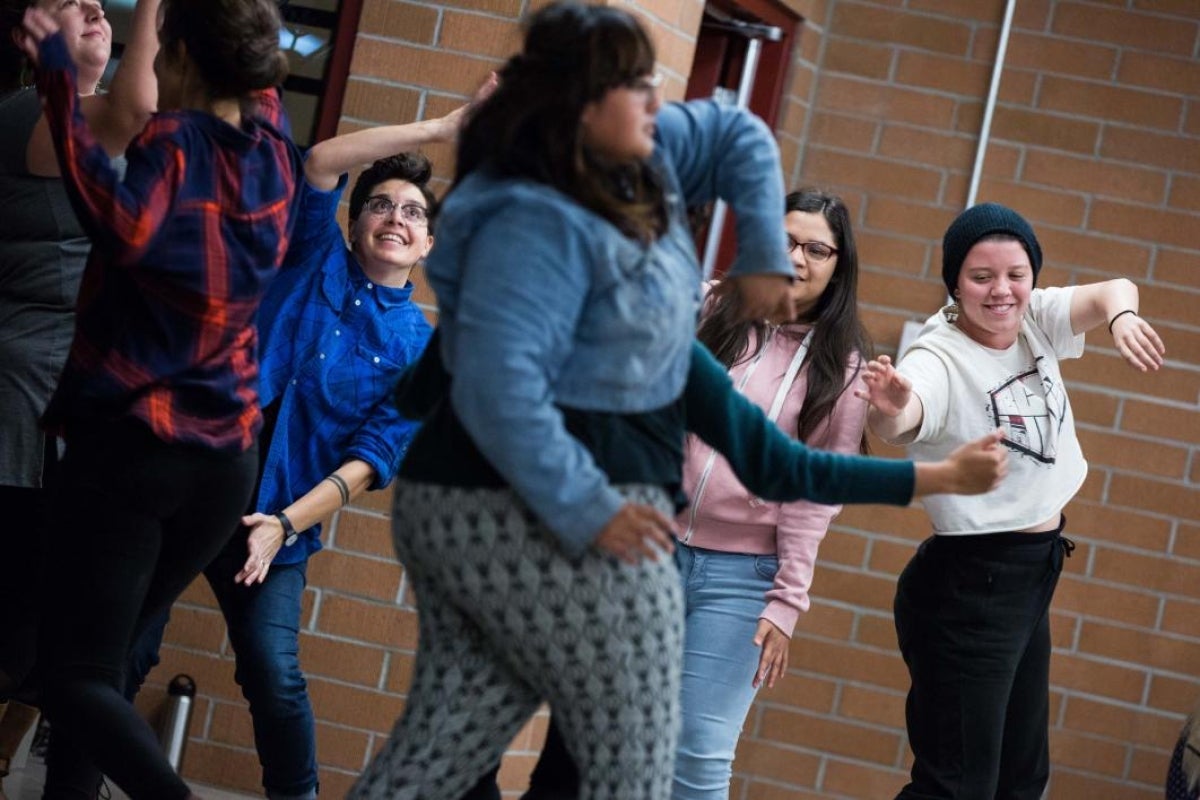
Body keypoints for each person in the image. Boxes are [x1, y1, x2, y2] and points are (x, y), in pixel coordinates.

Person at [347, 4, 1007, 799]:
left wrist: (929, 480)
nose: (655, 102)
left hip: (579, 529)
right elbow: (489, 391)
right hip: (503, 516)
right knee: (613, 763)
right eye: (630, 85)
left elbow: (780, 461)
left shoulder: (653, 214)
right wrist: (589, 505)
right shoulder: (538, 235)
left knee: (457, 757)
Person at [119, 84, 493, 799]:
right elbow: (321, 161)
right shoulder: (311, 253)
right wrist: (444, 126)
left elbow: (372, 458)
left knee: (273, 673)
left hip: (278, 523)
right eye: (381, 204)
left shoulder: (424, 349)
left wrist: (282, 527)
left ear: (430, 242)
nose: (395, 217)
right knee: (125, 649)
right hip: (186, 483)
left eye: (413, 212)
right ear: (354, 225)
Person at [14, 0, 301, 797]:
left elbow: (120, 226)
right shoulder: (275, 150)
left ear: (178, 59)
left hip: (136, 451)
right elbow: (243, 70)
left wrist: (60, 82)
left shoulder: (177, 143)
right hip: (224, 467)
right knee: (100, 673)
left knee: (71, 679)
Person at [855, 202, 1166, 800]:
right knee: (957, 787)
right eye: (981, 277)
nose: (1001, 291)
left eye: (1015, 274)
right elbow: (908, 415)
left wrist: (1121, 317)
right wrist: (892, 408)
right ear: (955, 283)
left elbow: (1113, 289)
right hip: (973, 587)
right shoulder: (938, 356)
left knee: (1021, 782)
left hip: (1029, 575)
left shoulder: (1034, 317)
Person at [0, 0, 158, 789]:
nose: (97, 7)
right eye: (73, 1)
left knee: (62, 643)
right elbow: (136, 104)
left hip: (78, 409)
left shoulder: (97, 124)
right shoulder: (29, 113)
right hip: (24, 401)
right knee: (23, 636)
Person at [672, 187, 871, 798]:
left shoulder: (844, 371)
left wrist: (786, 602)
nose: (797, 256)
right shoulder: (710, 309)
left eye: (817, 248)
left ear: (838, 266)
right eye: (784, 240)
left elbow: (815, 497)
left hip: (741, 579)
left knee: (699, 757)